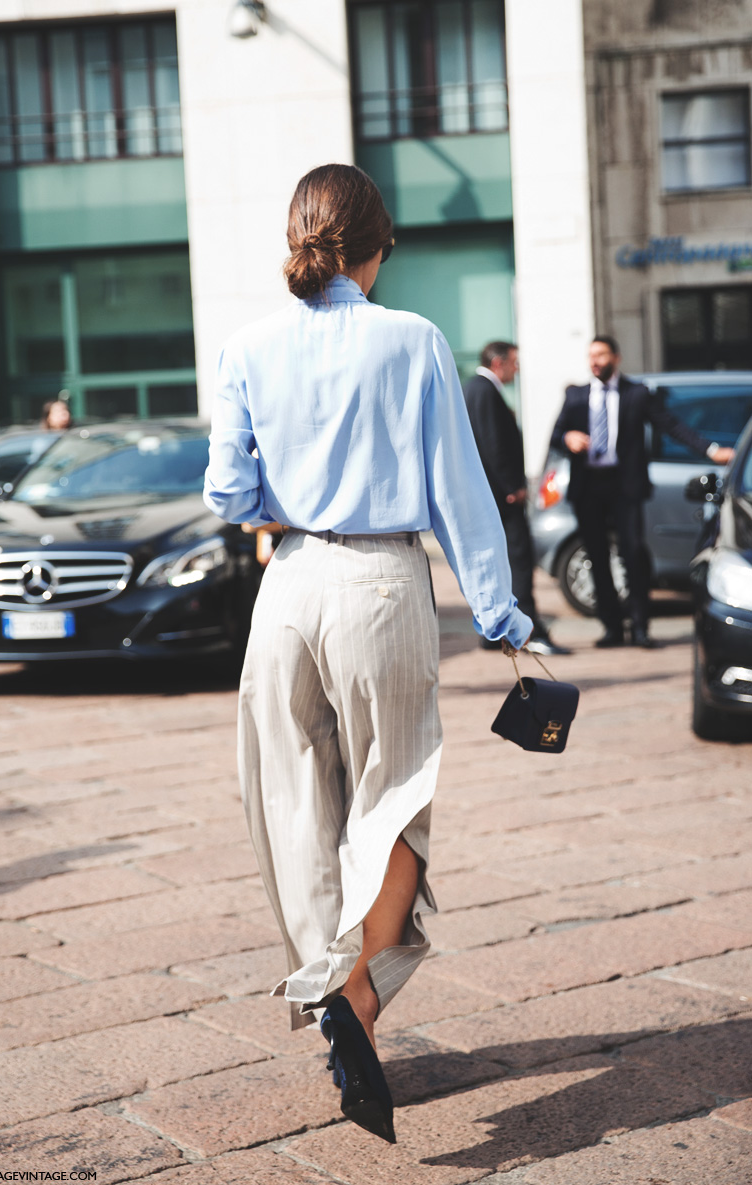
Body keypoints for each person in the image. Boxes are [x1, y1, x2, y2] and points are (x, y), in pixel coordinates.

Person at [203, 164, 532, 1144]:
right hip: (382, 583)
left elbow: (227, 495)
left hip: (288, 585)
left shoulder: (248, 344)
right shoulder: (414, 340)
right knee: (392, 810)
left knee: (293, 805)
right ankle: (356, 1005)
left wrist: (289, 507)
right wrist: (501, 614)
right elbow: (457, 492)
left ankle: (332, 1002)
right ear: (377, 247)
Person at [550, 335, 734, 648]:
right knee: (597, 554)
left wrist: (710, 449)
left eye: (601, 355)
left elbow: (672, 426)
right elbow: (556, 436)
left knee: (633, 554)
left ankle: (639, 628)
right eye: (591, 355)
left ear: (616, 358)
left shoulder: (636, 394)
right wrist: (568, 438)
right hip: (589, 487)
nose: (595, 361)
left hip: (625, 487)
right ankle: (611, 629)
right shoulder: (577, 396)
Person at [464, 341, 570, 657]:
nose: (517, 368)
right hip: (502, 496)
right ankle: (527, 631)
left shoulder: (477, 389)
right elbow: (491, 443)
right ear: (498, 363)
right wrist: (512, 486)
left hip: (492, 495)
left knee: (497, 564)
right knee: (519, 561)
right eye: (513, 362)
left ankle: (494, 633)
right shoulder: (483, 390)